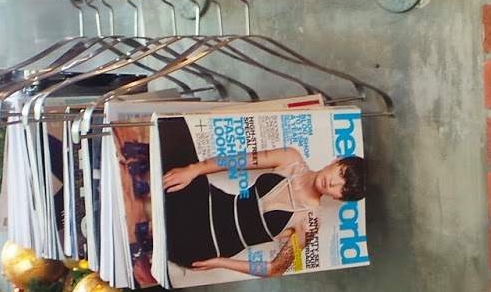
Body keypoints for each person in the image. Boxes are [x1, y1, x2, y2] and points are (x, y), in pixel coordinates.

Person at [157, 117, 367, 279]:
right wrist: (193, 170)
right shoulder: (290, 158)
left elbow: (275, 269)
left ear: (339, 198)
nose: (333, 183)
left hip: (206, 241)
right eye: (341, 173)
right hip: (205, 203)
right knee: (172, 128)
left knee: (167, 223)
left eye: (342, 189)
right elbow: (236, 161)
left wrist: (219, 263)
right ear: (337, 161)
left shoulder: (311, 222)